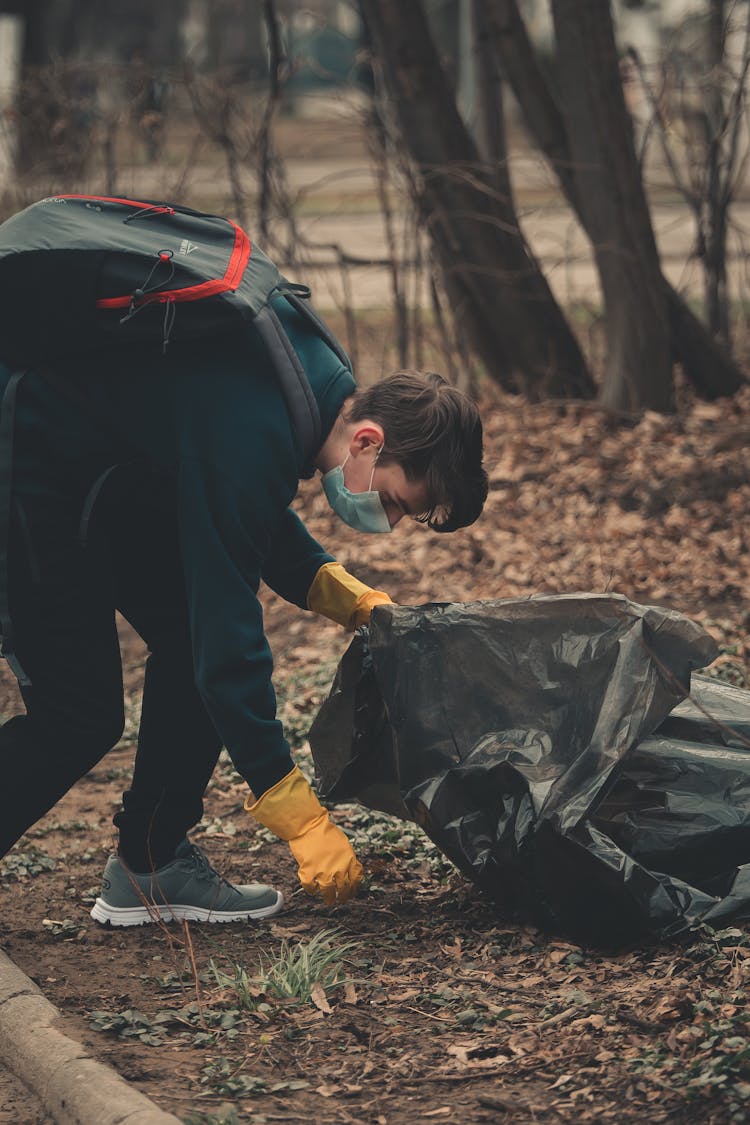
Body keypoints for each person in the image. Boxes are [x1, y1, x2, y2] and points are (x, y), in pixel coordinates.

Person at [0, 294, 487, 925]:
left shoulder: (315, 386)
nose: (387, 523)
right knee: (80, 714)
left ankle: (150, 864)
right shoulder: (258, 420)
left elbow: (237, 499)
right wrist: (298, 816)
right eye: (395, 502)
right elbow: (229, 643)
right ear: (369, 440)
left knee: (184, 643)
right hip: (27, 478)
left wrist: (337, 591)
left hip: (105, 483)